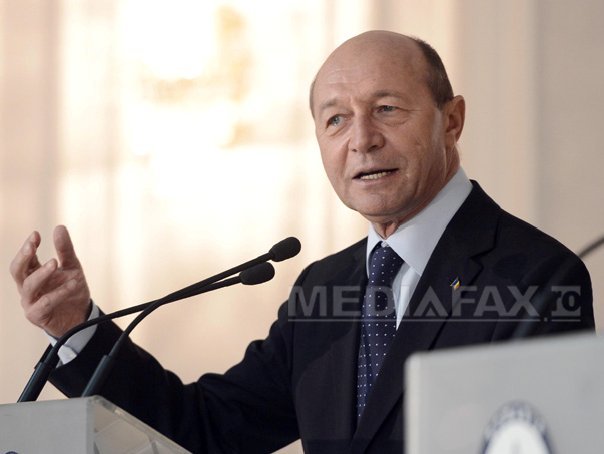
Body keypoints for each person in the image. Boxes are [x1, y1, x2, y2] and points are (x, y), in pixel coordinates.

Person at [10, 31, 594, 453]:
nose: (361, 139)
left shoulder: (536, 277)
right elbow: (207, 429)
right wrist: (77, 329)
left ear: (452, 121)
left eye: (387, 109)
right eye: (336, 119)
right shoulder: (324, 287)